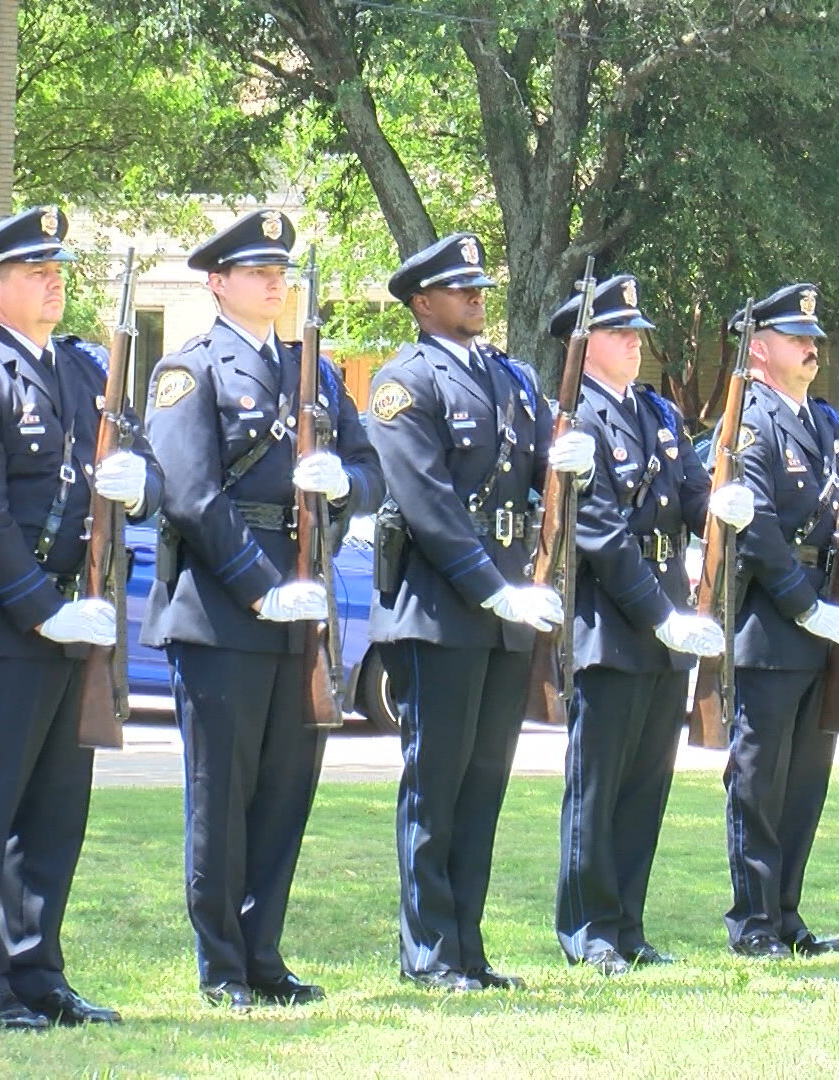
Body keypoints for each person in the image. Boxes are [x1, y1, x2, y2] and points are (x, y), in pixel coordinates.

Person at [0, 205, 162, 1029]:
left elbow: (144, 463)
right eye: (34, 271)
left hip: (75, 622)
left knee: (55, 815)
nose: (54, 281)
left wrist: (140, 484)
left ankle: (35, 971)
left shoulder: (84, 371)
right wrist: (40, 611)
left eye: (56, 270)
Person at [141, 208, 383, 1011]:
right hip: (224, 610)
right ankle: (222, 964)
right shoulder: (190, 369)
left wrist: (345, 487)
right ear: (218, 283)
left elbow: (369, 465)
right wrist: (260, 585)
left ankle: (264, 953)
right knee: (223, 794)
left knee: (285, 792)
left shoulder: (313, 370)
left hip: (303, 604)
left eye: (279, 270)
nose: (275, 281)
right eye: (256, 271)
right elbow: (190, 495)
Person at [368, 232, 594, 991]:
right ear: (421, 302)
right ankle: (428, 950)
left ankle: (467, 944)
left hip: (505, 611)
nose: (476, 297)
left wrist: (568, 464)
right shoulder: (405, 382)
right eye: (459, 288)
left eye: (479, 286)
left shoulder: (515, 380)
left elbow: (538, 476)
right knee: (435, 783)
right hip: (439, 610)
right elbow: (427, 504)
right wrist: (491, 587)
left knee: (484, 784)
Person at [547, 274, 744, 975]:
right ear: (586, 342)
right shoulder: (575, 420)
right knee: (597, 790)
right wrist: (663, 615)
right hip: (611, 624)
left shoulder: (656, 413)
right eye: (620, 332)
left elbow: (692, 496)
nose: (636, 342)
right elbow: (598, 532)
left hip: (664, 626)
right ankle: (588, 929)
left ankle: (627, 925)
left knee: (644, 789)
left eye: (637, 331)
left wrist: (724, 506)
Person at [721, 282, 839, 960]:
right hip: (774, 624)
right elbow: (756, 527)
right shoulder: (754, 421)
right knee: (760, 784)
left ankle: (788, 913)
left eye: (813, 337)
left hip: (824, 623)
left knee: (805, 782)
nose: (812, 346)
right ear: (760, 350)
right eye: (797, 337)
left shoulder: (823, 423)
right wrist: (806, 605)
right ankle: (754, 921)